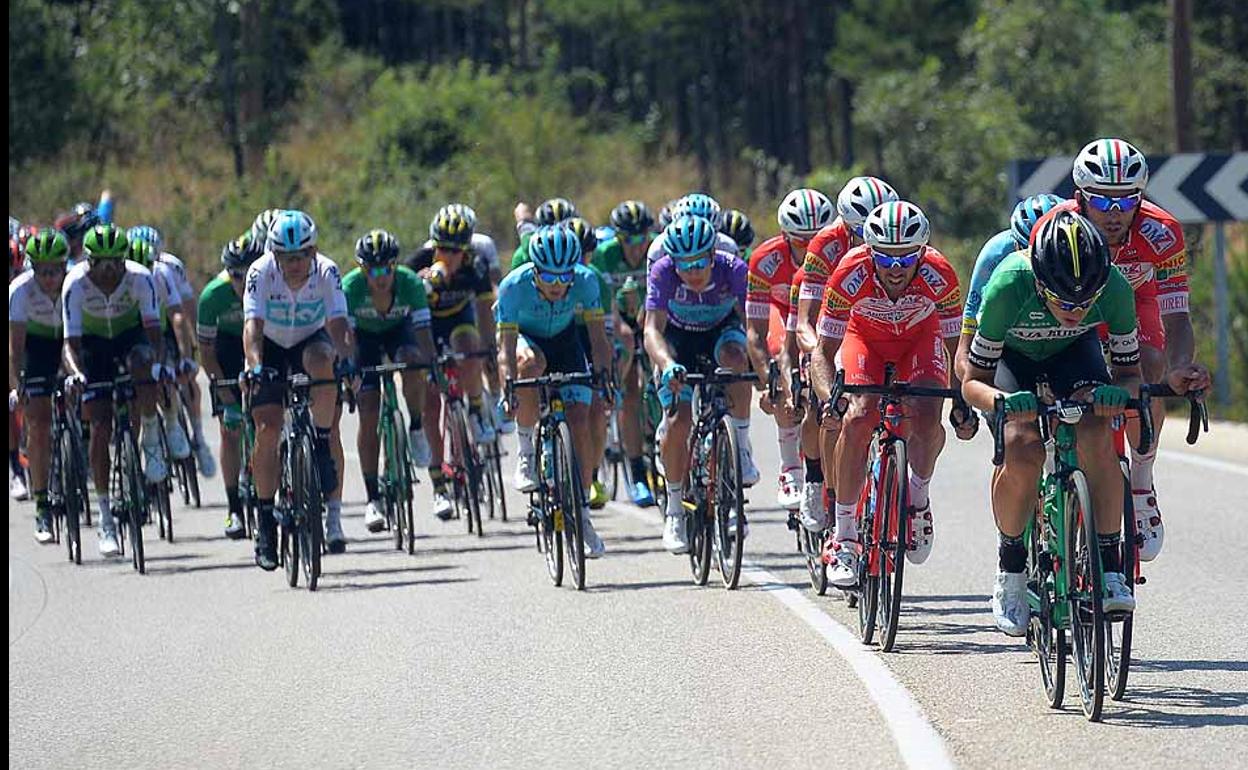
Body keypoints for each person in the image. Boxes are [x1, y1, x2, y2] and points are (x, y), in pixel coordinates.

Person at [958, 210, 1143, 633]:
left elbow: (1132, 375)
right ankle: (1012, 569)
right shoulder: (1008, 284)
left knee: (1097, 430)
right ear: (1039, 282)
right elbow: (973, 382)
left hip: (1074, 355)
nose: (1075, 310)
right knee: (1022, 446)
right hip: (1012, 360)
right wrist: (1002, 401)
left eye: (1085, 301)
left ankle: (1110, 566)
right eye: (1062, 300)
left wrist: (1118, 393)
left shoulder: (1114, 288)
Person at [1029, 138, 1211, 562]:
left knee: (1150, 370)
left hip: (1137, 300)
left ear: (1140, 196)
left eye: (1127, 200)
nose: (1115, 213)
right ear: (1079, 198)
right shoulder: (1053, 229)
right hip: (1076, 312)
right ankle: (1060, 467)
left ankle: (1142, 482)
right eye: (1102, 201)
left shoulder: (1160, 232)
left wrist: (1180, 368)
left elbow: (1177, 315)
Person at [811, 201, 973, 587]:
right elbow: (822, 352)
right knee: (859, 415)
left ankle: (917, 500)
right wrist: (827, 397)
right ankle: (845, 536)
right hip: (864, 339)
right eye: (885, 256)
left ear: (921, 252)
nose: (896, 267)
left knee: (928, 410)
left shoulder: (939, 273)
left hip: (920, 340)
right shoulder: (850, 271)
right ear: (870, 250)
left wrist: (963, 397)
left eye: (906, 257)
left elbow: (957, 349)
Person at [242, 210, 354, 568]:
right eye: (286, 257)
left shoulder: (327, 271)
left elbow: (337, 323)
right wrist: (255, 366)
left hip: (309, 340)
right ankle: (265, 525)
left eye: (301, 255)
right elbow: (252, 327)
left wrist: (346, 359)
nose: (294, 264)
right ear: (274, 254)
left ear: (313, 252)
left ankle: (320, 446)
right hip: (270, 346)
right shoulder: (260, 272)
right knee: (268, 428)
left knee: (325, 363)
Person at [497, 225, 611, 558]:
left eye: (565, 277)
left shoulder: (587, 280)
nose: (558, 285)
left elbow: (598, 340)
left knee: (580, 419)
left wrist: (604, 377)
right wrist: (508, 386)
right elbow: (504, 349)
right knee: (530, 364)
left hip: (566, 341)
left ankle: (584, 514)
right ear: (534, 271)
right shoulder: (512, 288)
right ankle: (526, 453)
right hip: (526, 341)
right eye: (549, 278)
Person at [644, 215, 756, 554]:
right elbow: (652, 330)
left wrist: (762, 366)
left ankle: (740, 443)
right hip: (679, 340)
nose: (692, 272)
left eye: (699, 263)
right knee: (680, 419)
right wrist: (667, 365)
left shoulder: (733, 268)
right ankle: (675, 509)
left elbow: (752, 323)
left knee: (738, 361)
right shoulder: (662, 271)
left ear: (713, 255)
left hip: (722, 331)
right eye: (684, 265)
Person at [794, 176, 899, 532]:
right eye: (859, 231)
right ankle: (819, 483)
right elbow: (804, 321)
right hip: (830, 328)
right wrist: (816, 359)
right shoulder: (825, 244)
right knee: (825, 406)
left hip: (873, 325)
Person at [61, 223, 166, 557]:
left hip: (129, 337)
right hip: (92, 347)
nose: (109, 270)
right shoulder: (74, 284)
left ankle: (149, 436)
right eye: (101, 263)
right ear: (88, 262)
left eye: (115, 262)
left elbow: (153, 332)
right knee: (101, 425)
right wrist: (77, 375)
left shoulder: (140, 277)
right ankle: (105, 516)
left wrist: (157, 365)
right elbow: (69, 345)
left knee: (144, 367)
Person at [745, 189, 835, 515]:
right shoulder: (764, 259)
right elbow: (753, 330)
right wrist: (771, 380)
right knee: (780, 355)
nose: (811, 248)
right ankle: (790, 469)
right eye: (801, 242)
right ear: (785, 236)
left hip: (817, 313)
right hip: (781, 313)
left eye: (817, 239)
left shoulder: (838, 252)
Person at [343, 229, 436, 533]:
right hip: (364, 340)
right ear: (362, 269)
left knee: (413, 360)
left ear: (395, 266)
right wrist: (348, 371)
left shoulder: (409, 283)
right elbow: (347, 339)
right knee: (368, 412)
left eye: (387, 268)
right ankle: (373, 498)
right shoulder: (350, 288)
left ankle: (416, 426)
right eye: (373, 270)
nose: (381, 276)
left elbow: (423, 332)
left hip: (400, 331)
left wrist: (429, 364)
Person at [420, 209, 497, 520]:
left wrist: (490, 349)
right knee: (431, 401)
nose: (448, 255)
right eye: (442, 248)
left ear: (466, 250)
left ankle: (477, 409)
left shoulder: (476, 265)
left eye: (456, 250)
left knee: (471, 346)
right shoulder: (420, 262)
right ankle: (439, 483)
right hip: (428, 328)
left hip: (460, 321)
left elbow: (484, 310)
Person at [128, 224, 215, 477]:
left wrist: (190, 350)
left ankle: (198, 437)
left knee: (182, 377)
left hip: (162, 326)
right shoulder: (124, 277)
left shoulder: (167, 270)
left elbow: (183, 311)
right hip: (136, 330)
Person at [199, 233, 264, 538]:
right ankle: (234, 508)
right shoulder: (213, 296)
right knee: (231, 428)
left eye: (249, 273)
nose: (242, 281)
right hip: (225, 353)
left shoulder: (269, 287)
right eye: (236, 275)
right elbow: (207, 354)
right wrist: (226, 396)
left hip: (261, 346)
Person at [593, 200, 657, 505]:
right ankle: (637, 474)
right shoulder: (605, 255)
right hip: (618, 320)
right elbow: (605, 306)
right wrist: (623, 327)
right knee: (631, 392)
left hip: (651, 317)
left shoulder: (656, 250)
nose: (636, 246)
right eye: (629, 239)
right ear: (618, 238)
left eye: (642, 238)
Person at [9, 229, 70, 541]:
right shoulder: (20, 291)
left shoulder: (75, 284)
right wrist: (16, 387)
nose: (49, 278)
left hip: (70, 344)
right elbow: (16, 349)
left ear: (65, 266)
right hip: (36, 349)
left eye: (55, 270)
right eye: (42, 271)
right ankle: (43, 507)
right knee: (40, 423)